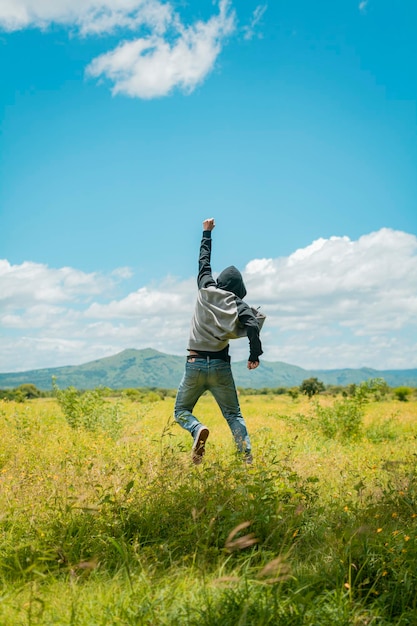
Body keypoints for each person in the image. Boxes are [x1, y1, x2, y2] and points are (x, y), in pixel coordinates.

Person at [174, 217, 264, 465]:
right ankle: (246, 460)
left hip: (194, 363)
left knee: (180, 412)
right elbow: (253, 325)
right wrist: (254, 354)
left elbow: (204, 263)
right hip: (221, 365)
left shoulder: (205, 290)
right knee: (234, 414)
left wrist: (207, 233)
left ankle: (197, 429)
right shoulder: (238, 304)